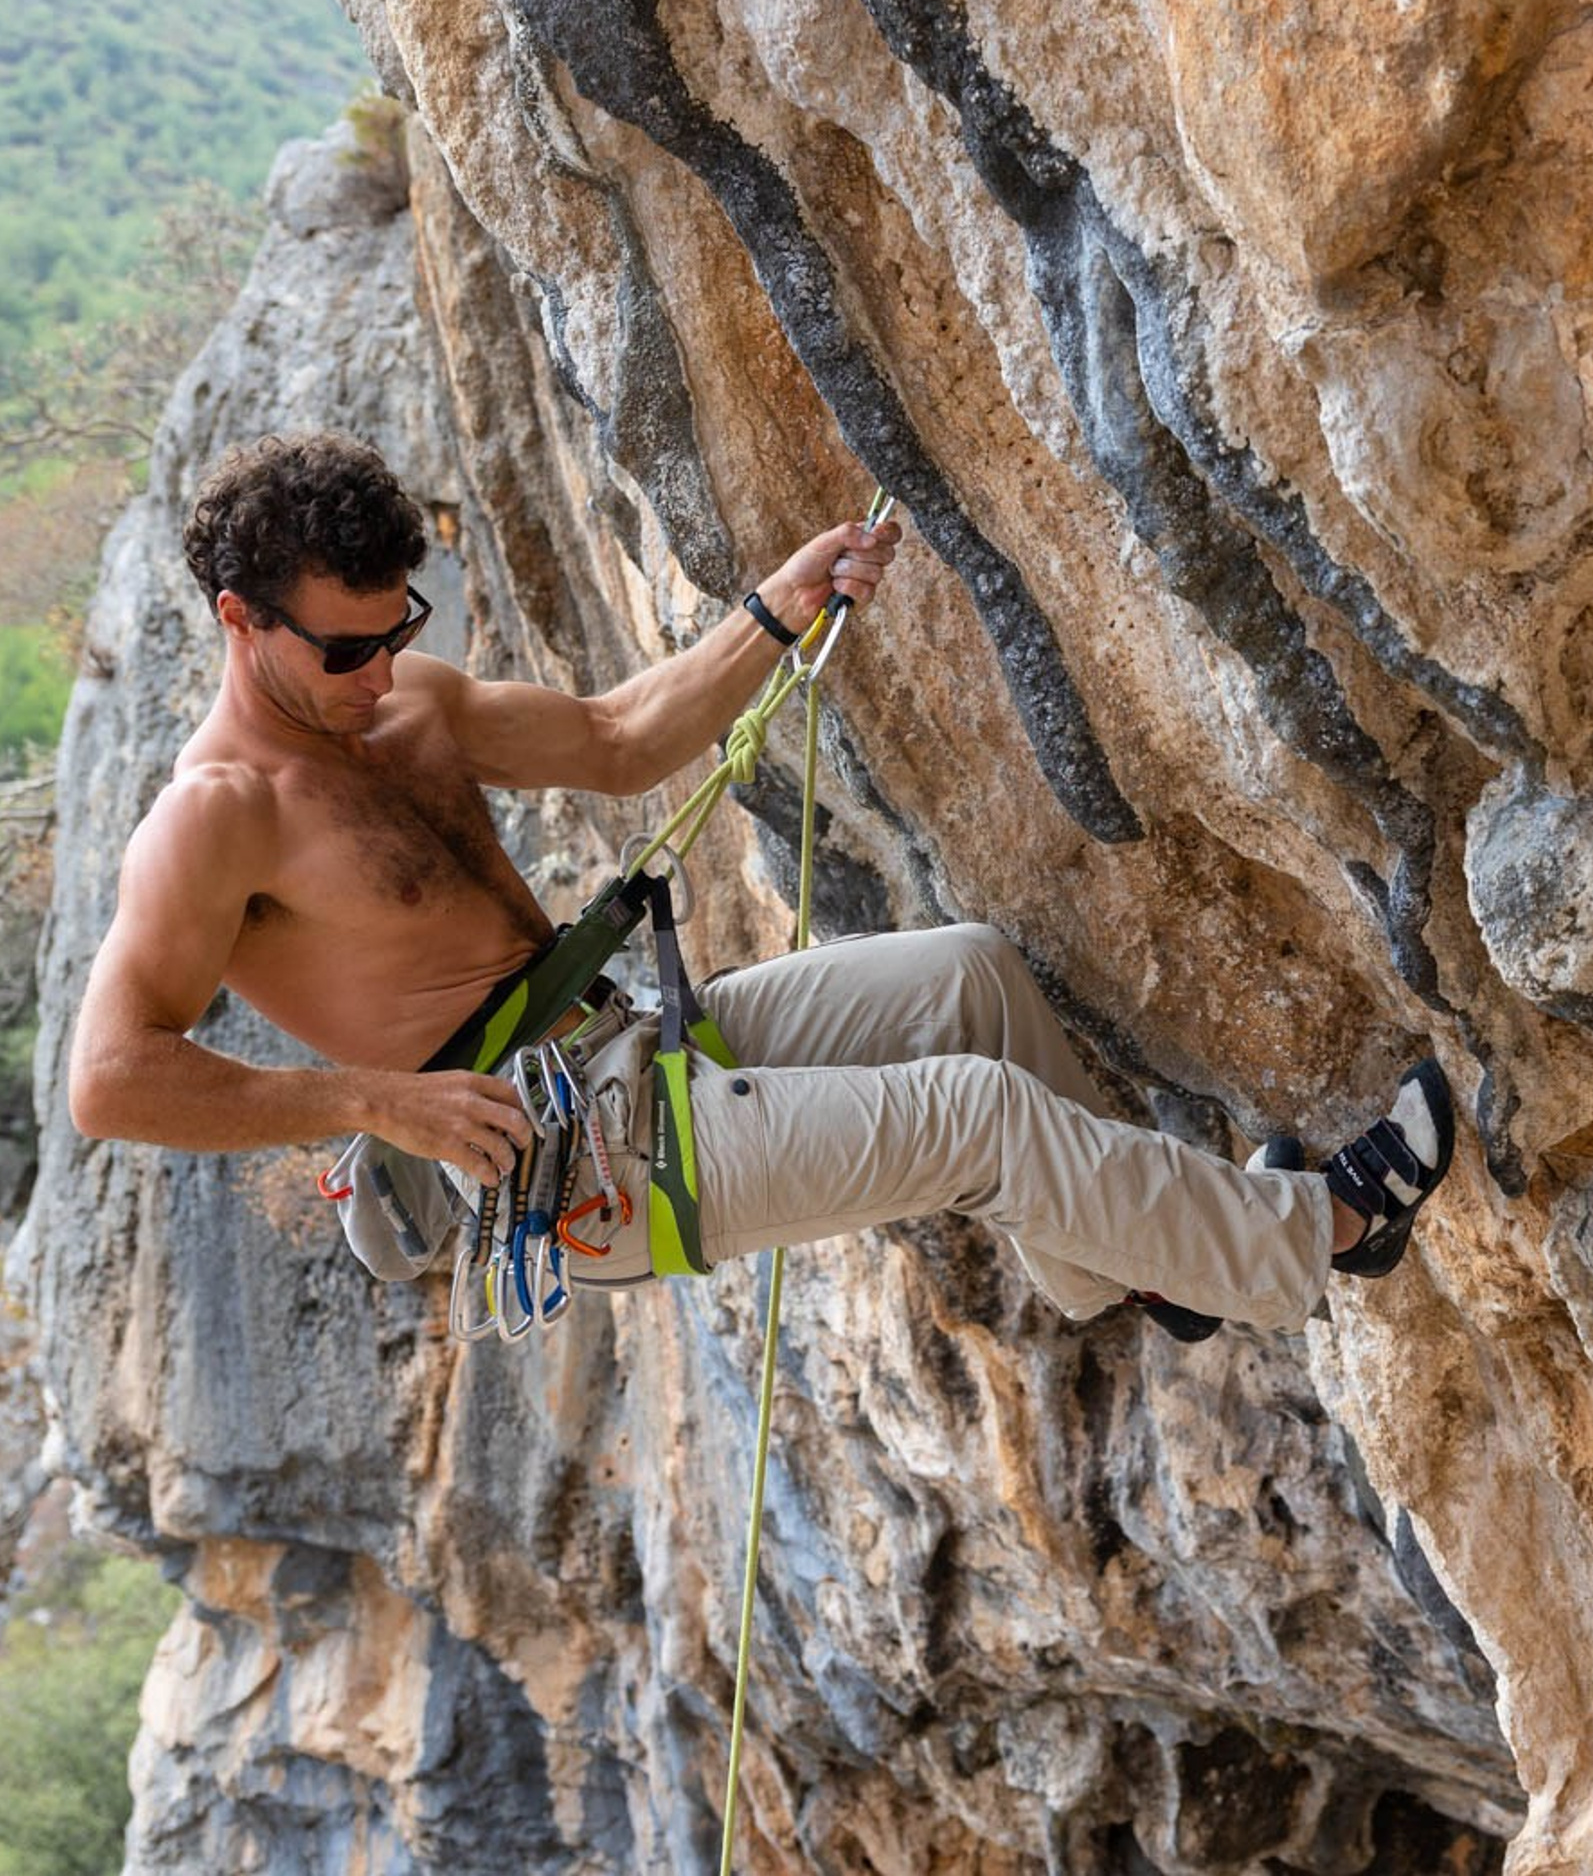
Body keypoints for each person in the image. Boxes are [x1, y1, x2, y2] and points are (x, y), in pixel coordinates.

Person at [67, 431, 1454, 1342]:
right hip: (579, 1157)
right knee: (973, 1115)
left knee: (971, 974)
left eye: (397, 634)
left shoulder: (407, 701)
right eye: (344, 652)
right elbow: (112, 1080)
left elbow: (618, 740)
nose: (378, 675)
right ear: (242, 621)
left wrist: (774, 612)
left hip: (633, 1042)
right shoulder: (214, 822)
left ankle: (1133, 1270)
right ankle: (1319, 1231)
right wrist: (378, 1103)